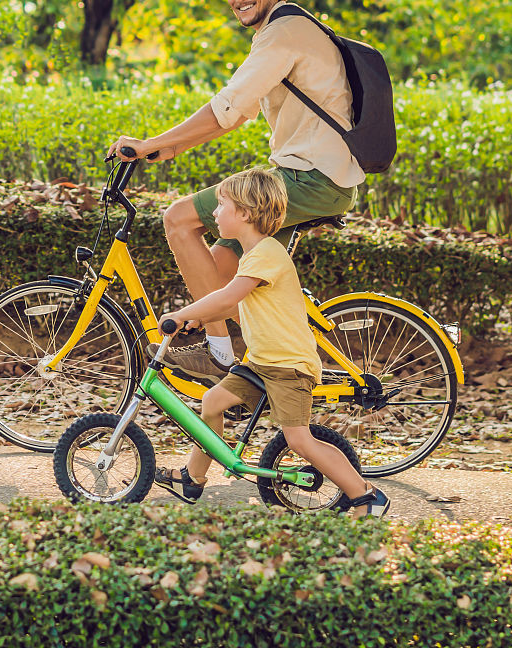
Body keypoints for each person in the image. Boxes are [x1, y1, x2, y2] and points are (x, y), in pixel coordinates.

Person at [108, 0, 362, 383]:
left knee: (179, 219)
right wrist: (169, 147)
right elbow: (237, 114)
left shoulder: (284, 31)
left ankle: (223, 354)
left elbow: (228, 105)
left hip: (311, 177)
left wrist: (151, 143)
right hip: (313, 174)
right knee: (223, 268)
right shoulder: (279, 32)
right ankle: (257, 365)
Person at [156, 168, 389, 517]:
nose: (215, 213)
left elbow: (226, 297)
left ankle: (365, 495)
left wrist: (183, 312)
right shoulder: (253, 254)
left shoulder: (266, 254)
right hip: (263, 362)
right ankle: (193, 477)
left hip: (288, 367)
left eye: (222, 205)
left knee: (299, 440)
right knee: (213, 401)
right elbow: (234, 304)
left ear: (245, 214)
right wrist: (197, 318)